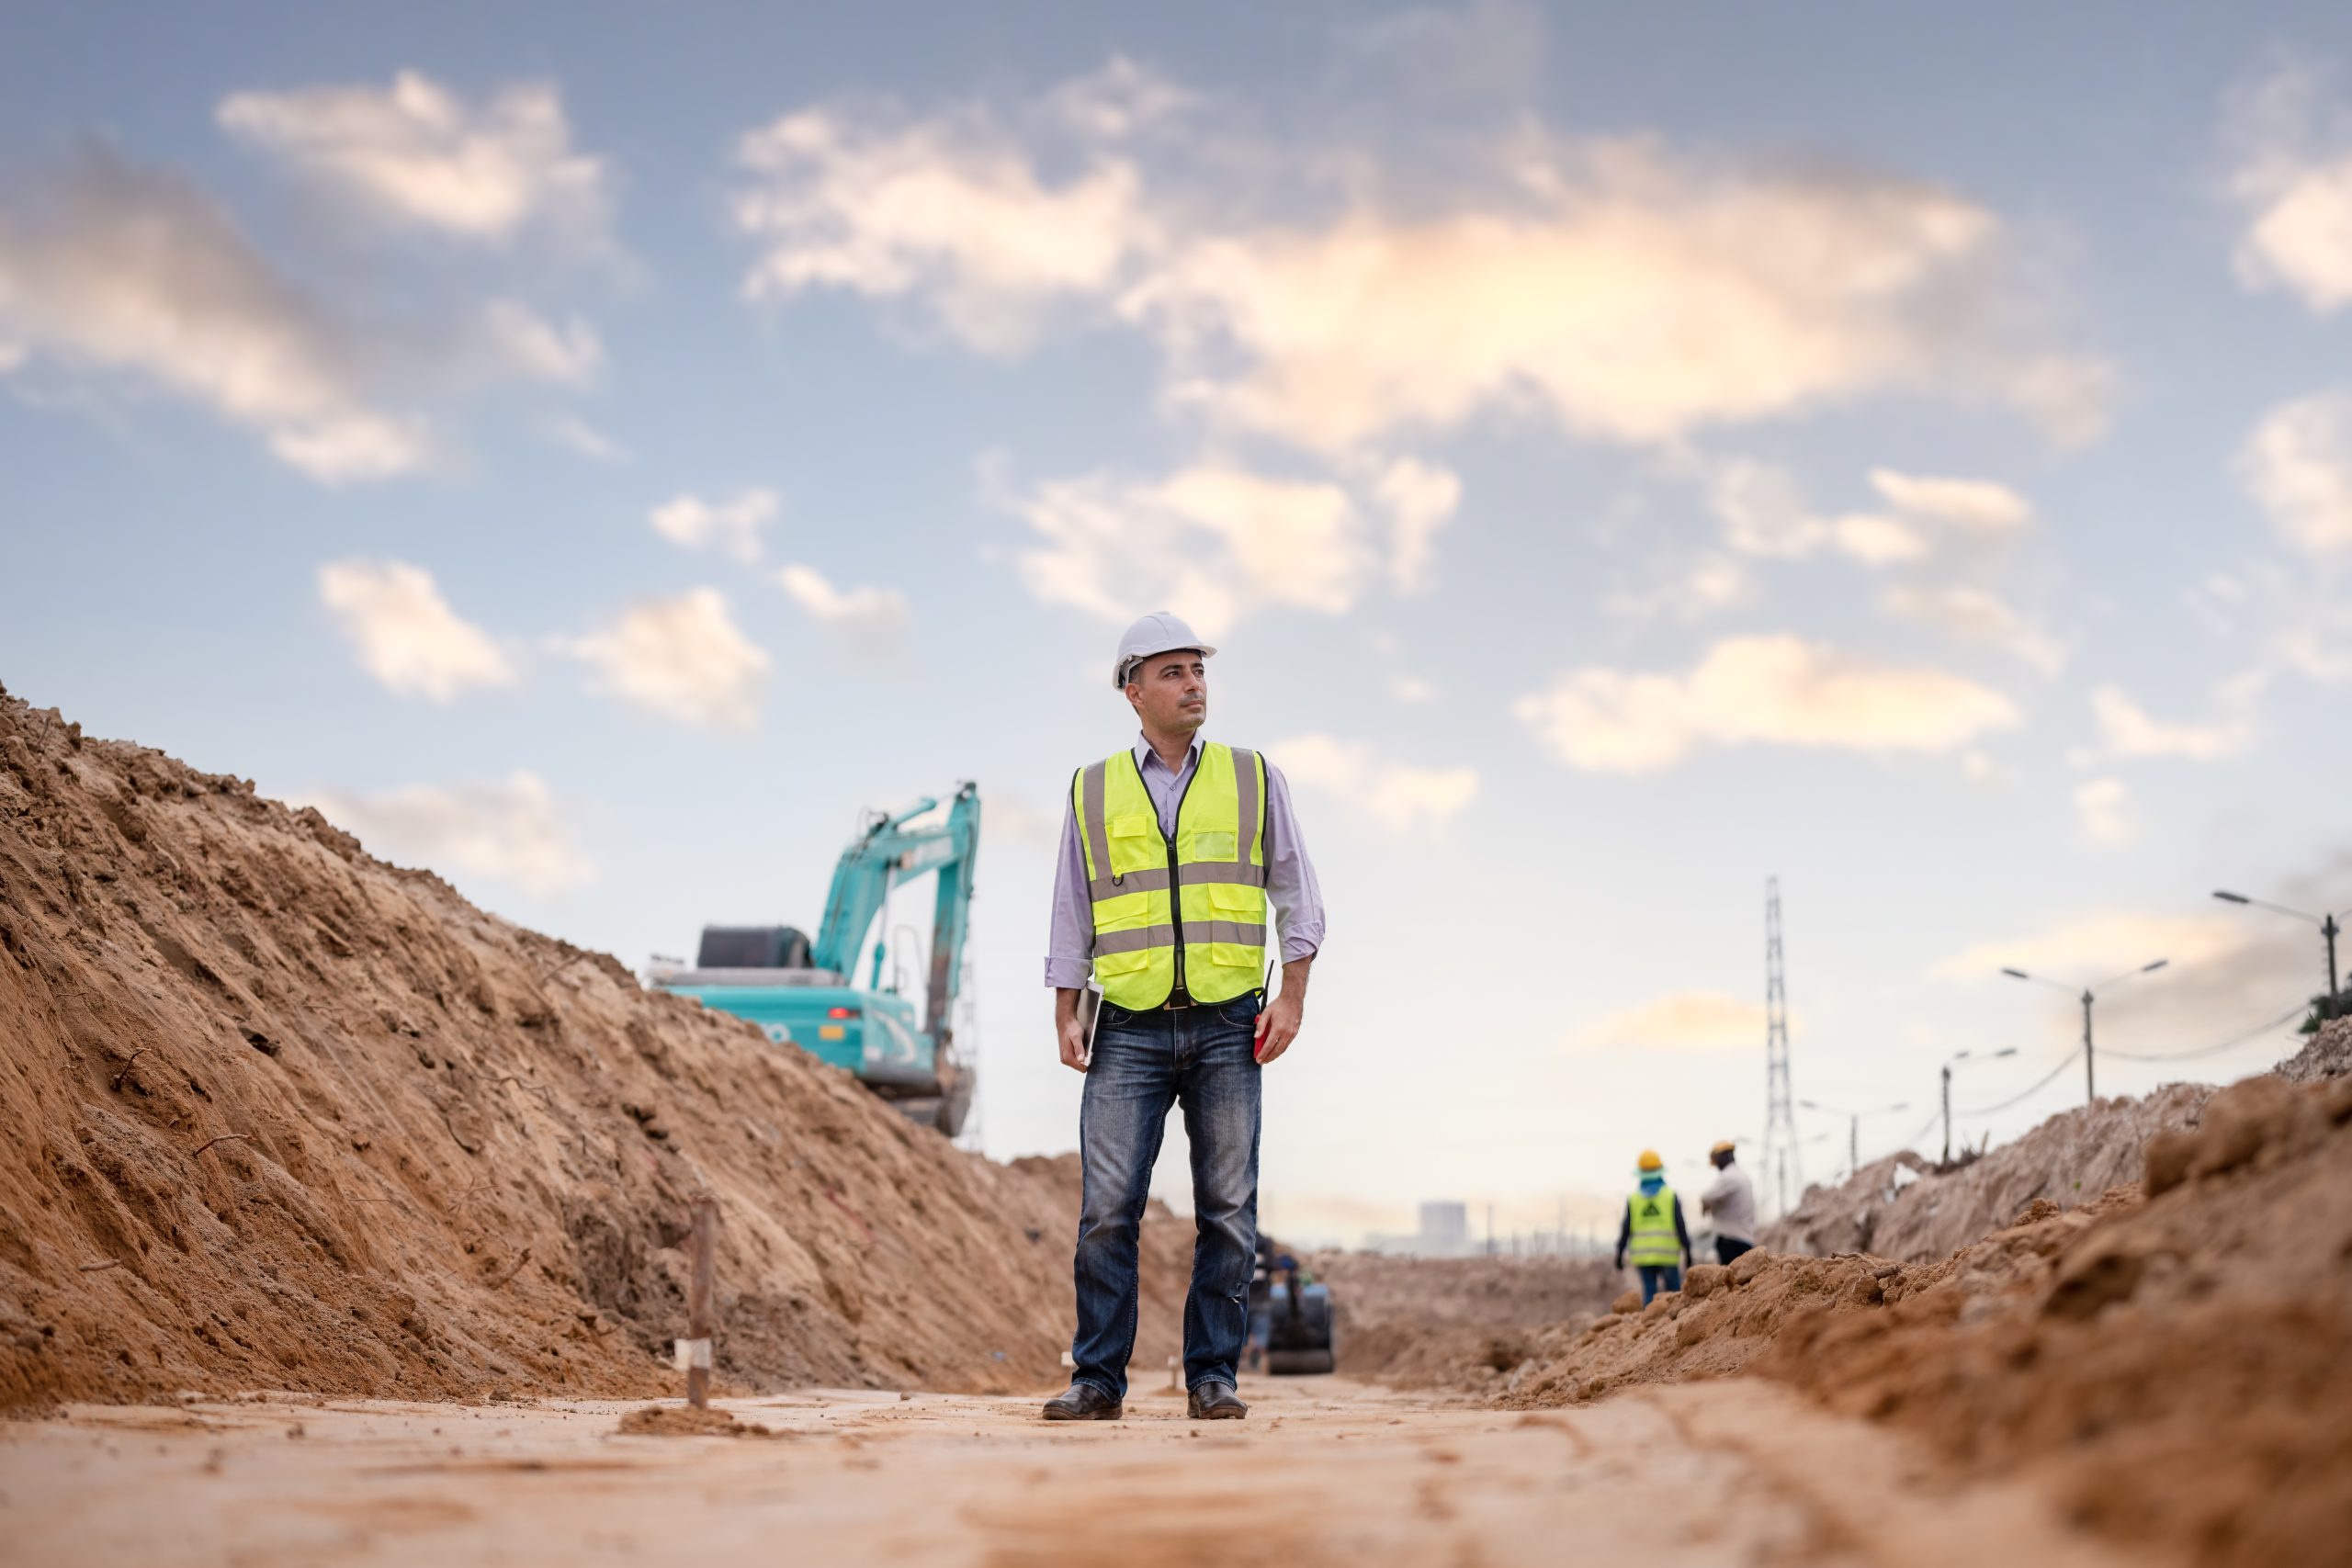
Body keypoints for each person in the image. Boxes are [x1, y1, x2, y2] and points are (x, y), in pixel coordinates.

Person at [1039, 612, 1326, 1423]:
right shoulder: (1091, 787)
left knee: (1229, 1211)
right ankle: (1097, 1379)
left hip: (1230, 1022)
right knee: (1105, 1212)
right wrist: (1067, 1007)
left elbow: (1298, 893)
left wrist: (1293, 993)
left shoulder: (1253, 775)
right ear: (1133, 691)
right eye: (1172, 671)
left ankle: (1213, 1376)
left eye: (1197, 669)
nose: (1193, 683)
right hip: (1125, 1023)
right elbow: (1074, 904)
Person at [1612, 1150, 1692, 1303]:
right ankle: (1674, 1325)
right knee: (1674, 1295)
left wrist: (1619, 1253)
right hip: (1667, 1254)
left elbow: (1626, 1229)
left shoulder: (1634, 1199)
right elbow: (1680, 1225)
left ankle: (1650, 1325)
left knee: (1650, 1294)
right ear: (1660, 1170)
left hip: (1643, 1256)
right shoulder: (1670, 1196)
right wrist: (1687, 1249)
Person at [1699, 1139, 1758, 1265]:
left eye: (1716, 1161)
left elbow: (1706, 1197)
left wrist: (1706, 1206)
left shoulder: (1728, 1177)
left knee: (1731, 1281)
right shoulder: (1744, 1177)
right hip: (1745, 1238)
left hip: (1731, 1240)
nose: (1716, 1166)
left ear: (1722, 1156)